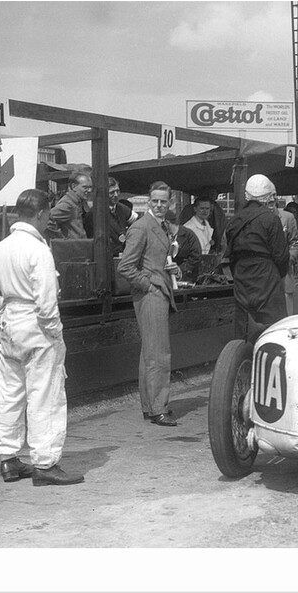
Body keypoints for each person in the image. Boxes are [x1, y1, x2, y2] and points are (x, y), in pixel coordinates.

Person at [0, 189, 84, 486]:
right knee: (45, 395)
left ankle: (9, 460)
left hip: (10, 323)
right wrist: (53, 332)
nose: (48, 219)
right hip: (37, 325)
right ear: (40, 214)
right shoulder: (39, 250)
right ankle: (45, 463)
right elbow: (47, 300)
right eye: (48, 215)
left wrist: (5, 317)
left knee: (11, 392)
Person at [118, 181, 181, 427]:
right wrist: (149, 285)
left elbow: (152, 259)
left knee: (150, 353)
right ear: (148, 200)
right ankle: (158, 409)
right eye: (154, 200)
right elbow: (125, 267)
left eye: (163, 201)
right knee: (159, 354)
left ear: (170, 202)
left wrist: (173, 269)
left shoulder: (159, 226)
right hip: (151, 294)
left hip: (157, 291)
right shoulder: (142, 227)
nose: (158, 205)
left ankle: (150, 406)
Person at [224, 174, 290, 342]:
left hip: (241, 275)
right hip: (266, 275)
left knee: (243, 326)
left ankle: (242, 360)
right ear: (268, 196)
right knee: (274, 326)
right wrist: (275, 274)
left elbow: (229, 255)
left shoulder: (233, 221)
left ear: (247, 195)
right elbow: (281, 257)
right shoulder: (271, 219)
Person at [266, 192, 298, 315]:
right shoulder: (259, 219)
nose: (270, 204)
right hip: (265, 273)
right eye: (266, 202)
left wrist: (288, 259)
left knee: (287, 313)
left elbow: (296, 243)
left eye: (272, 201)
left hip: (285, 273)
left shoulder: (288, 218)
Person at [45, 171, 93, 240]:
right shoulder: (68, 204)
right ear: (73, 186)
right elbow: (47, 219)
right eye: (85, 187)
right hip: (73, 248)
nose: (89, 190)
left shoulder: (79, 202)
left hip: (81, 246)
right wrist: (59, 238)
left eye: (90, 187)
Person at [179, 187, 227, 254]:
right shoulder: (188, 228)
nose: (205, 211)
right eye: (202, 208)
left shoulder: (207, 226)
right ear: (195, 209)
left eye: (207, 208)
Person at [103, 177, 138, 257]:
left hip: (124, 254)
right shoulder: (96, 212)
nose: (116, 195)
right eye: (112, 192)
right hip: (107, 257)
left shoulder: (122, 208)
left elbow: (138, 223)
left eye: (117, 191)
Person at [166, 209, 202, 281]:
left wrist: (180, 270)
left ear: (167, 222)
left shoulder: (189, 235)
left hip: (187, 278)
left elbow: (196, 256)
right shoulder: (162, 235)